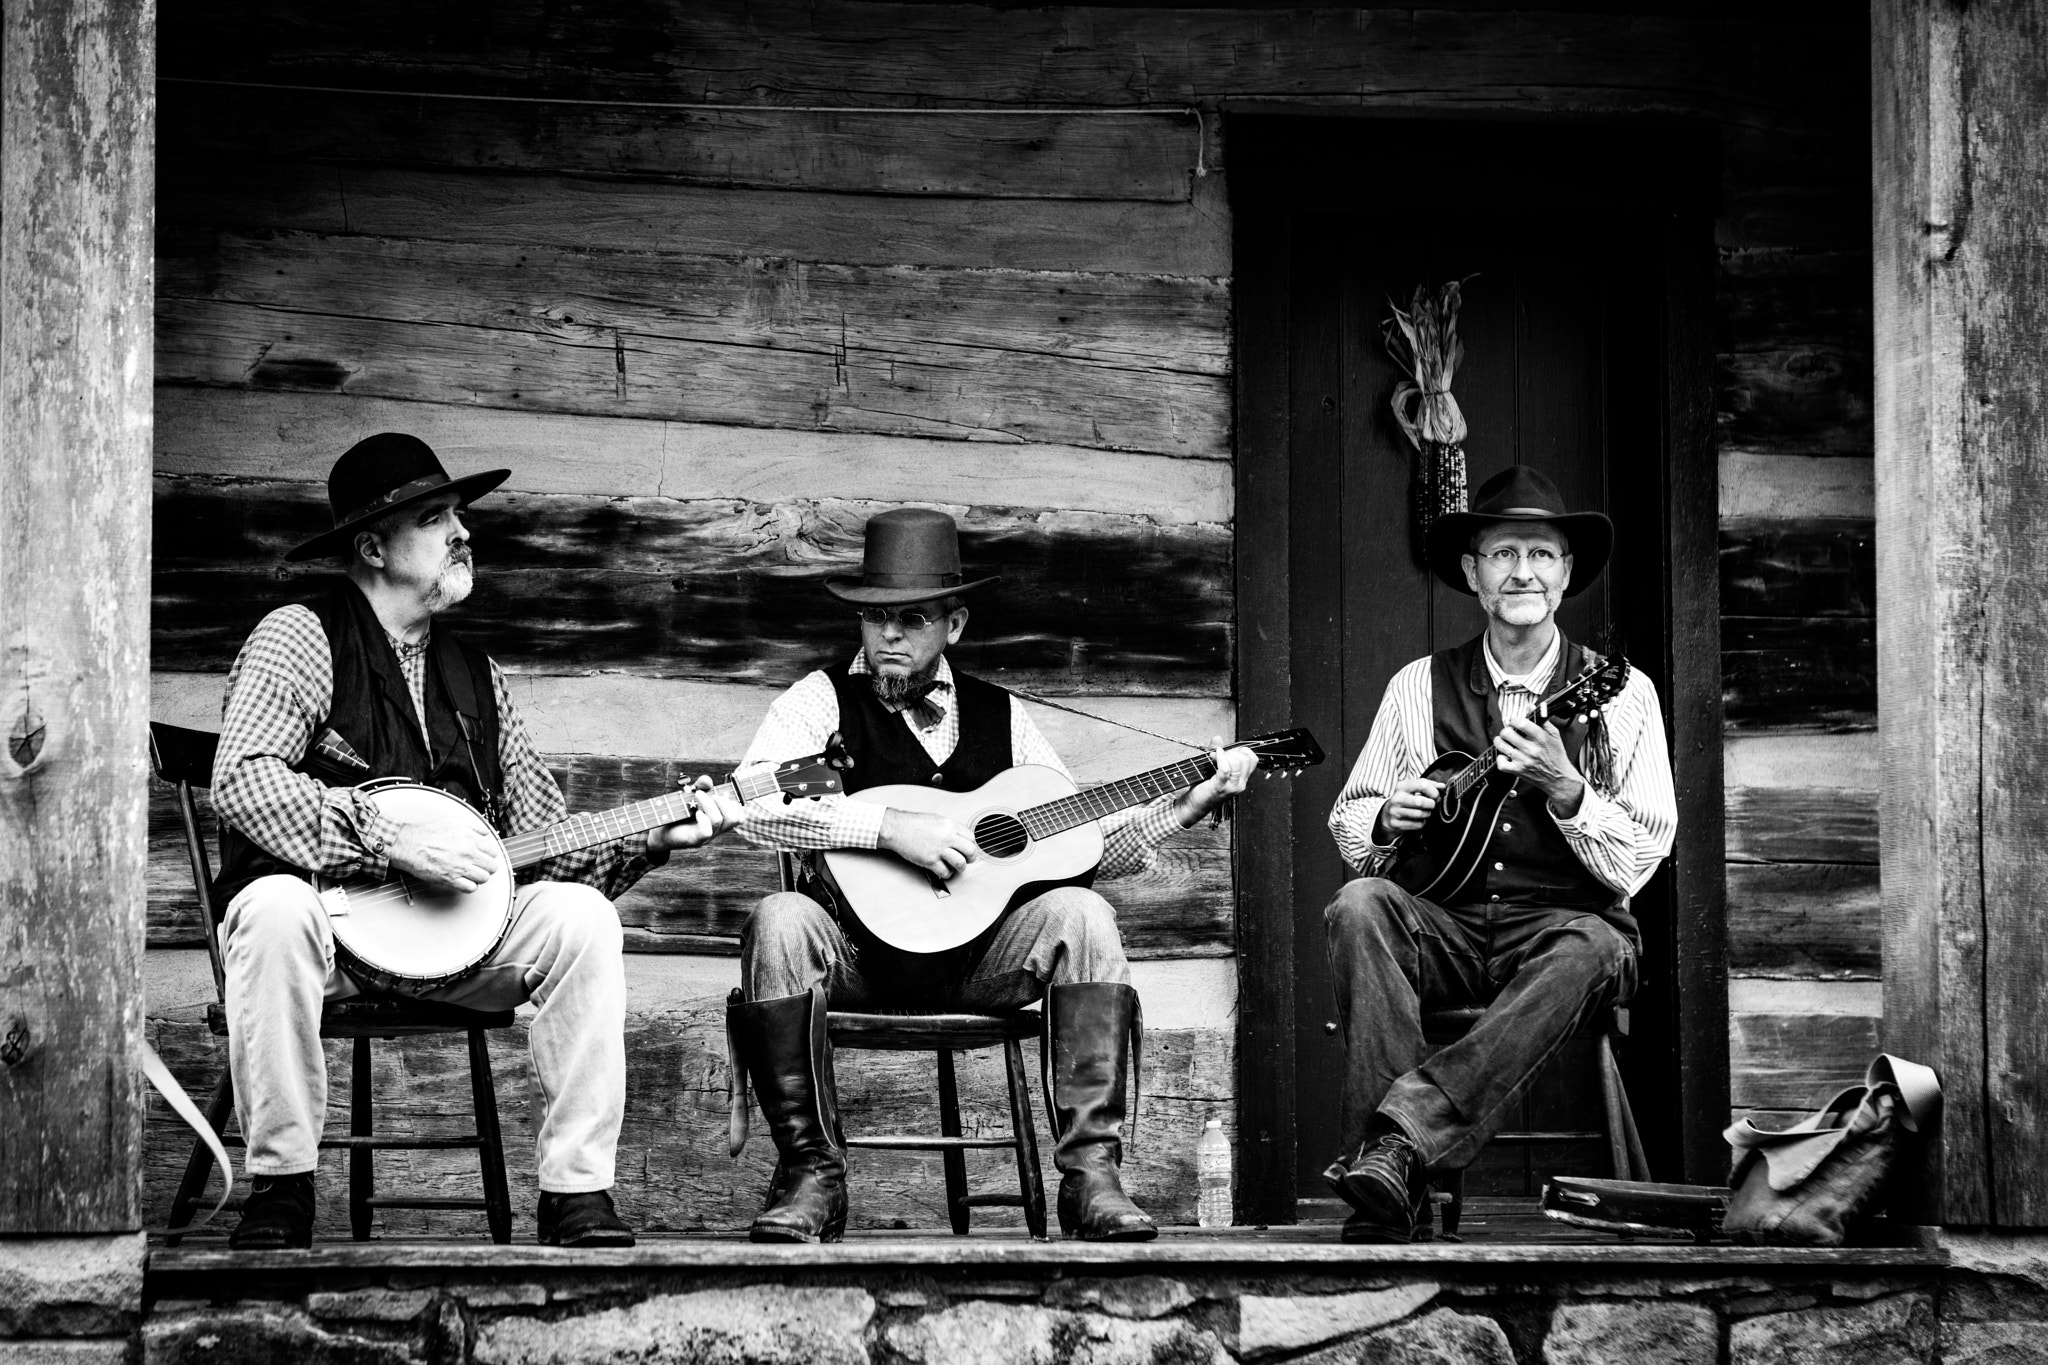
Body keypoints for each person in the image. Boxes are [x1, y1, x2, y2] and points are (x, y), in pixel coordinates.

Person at [209, 433, 744, 1250]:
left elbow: (543, 843)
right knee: (273, 906)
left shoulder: (475, 676)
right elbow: (242, 778)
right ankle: (281, 1186)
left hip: (458, 949)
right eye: (436, 517)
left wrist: (651, 838)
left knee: (578, 918)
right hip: (329, 946)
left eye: (459, 514)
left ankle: (576, 1192)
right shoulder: (302, 635)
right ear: (374, 546)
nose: (463, 531)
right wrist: (389, 843)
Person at [724, 507, 1256, 1243]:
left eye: (911, 618)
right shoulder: (822, 702)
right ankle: (813, 1174)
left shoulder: (1003, 718)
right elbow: (750, 804)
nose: (889, 637)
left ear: (955, 625)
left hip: (979, 961)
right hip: (853, 957)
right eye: (875, 618)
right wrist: (885, 828)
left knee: (1082, 914)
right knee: (779, 918)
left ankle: (1092, 1177)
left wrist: (1187, 805)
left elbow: (1087, 846)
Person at [1321, 465, 1677, 1243]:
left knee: (1595, 941)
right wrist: (1388, 818)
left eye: (1542, 553)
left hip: (1562, 932)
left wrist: (1569, 789)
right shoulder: (1417, 686)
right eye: (1503, 553)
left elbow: (1643, 853)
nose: (1524, 571)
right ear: (1473, 576)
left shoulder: (1621, 693)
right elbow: (1351, 826)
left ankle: (1398, 1147)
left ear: (1567, 574)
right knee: (1359, 906)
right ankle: (1399, 1169)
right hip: (1446, 925)